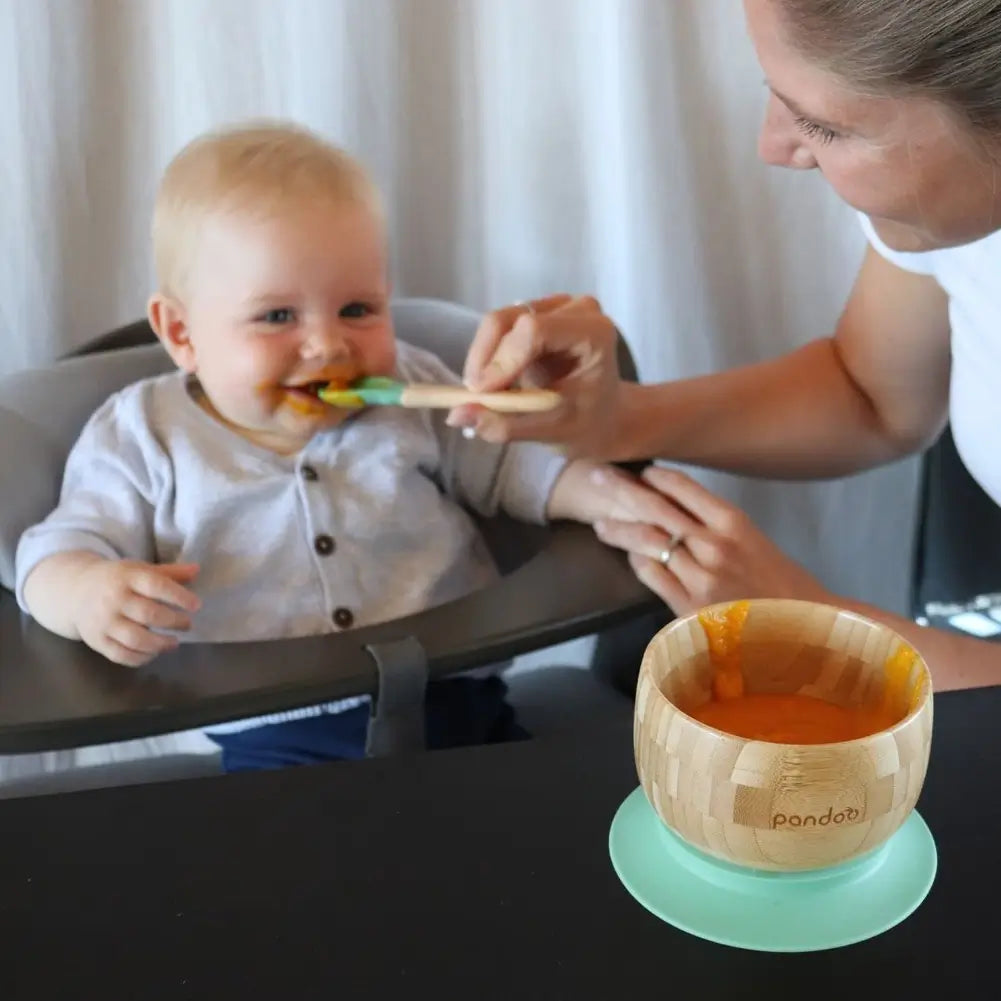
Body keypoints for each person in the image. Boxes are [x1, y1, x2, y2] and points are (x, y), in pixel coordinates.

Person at [14, 122, 670, 770]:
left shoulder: (409, 384)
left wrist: (601, 493)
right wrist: (88, 591)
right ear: (182, 332)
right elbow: (55, 547)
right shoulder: (143, 434)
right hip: (274, 731)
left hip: (460, 691)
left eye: (357, 309)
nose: (328, 345)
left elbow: (506, 461)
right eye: (277, 316)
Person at [450, 0, 1001, 693]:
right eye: (774, 95)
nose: (773, 147)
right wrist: (615, 418)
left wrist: (811, 633)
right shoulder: (953, 209)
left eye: (824, 127)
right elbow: (871, 393)